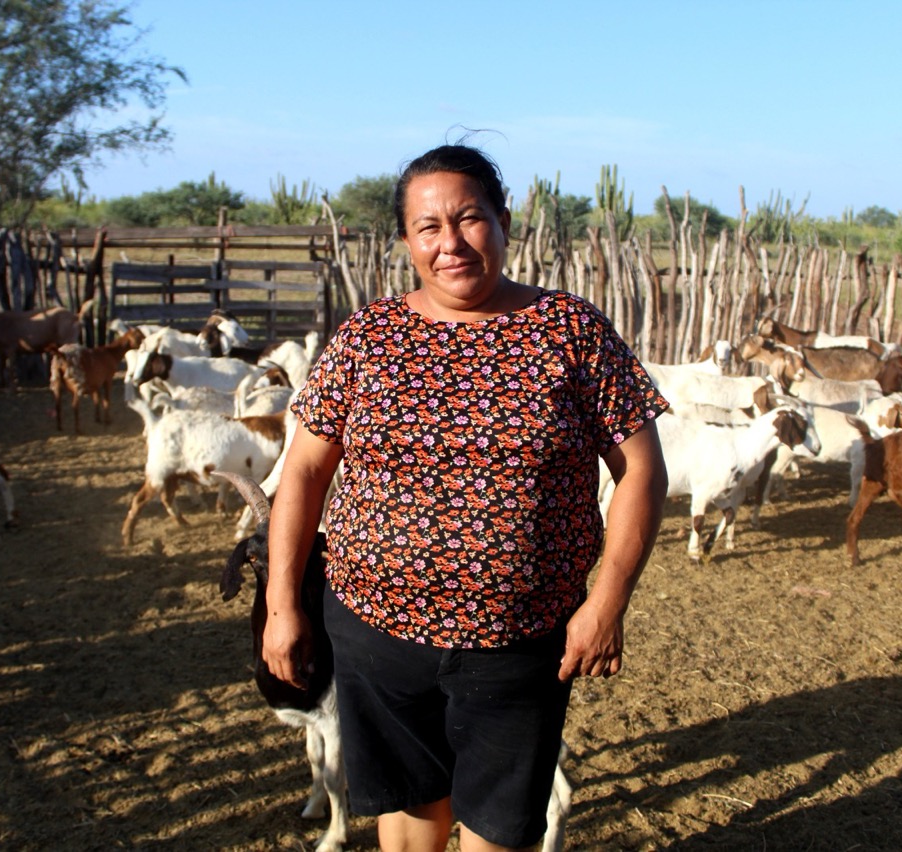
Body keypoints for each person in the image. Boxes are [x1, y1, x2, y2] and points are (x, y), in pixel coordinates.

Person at [263, 142, 668, 852]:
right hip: (374, 628)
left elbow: (641, 471)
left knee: (499, 831)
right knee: (410, 814)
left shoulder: (571, 332)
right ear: (407, 242)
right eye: (429, 227)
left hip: (521, 639)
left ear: (504, 222)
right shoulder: (369, 336)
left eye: (469, 219)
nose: (450, 243)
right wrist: (281, 606)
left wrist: (606, 605)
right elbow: (301, 475)